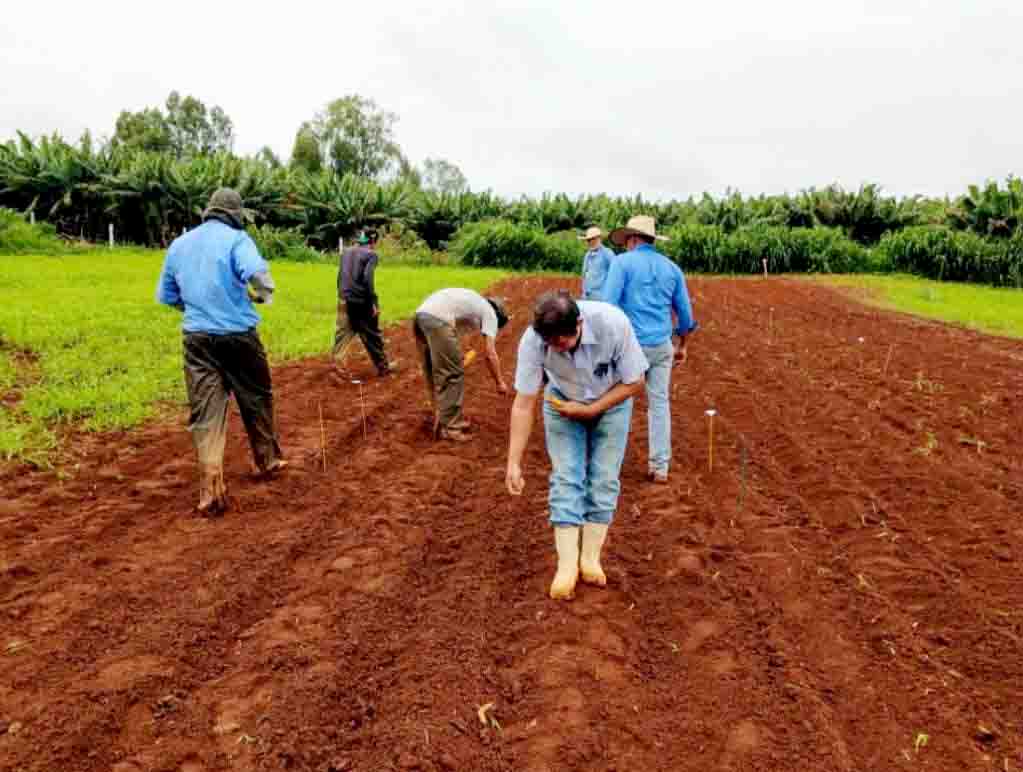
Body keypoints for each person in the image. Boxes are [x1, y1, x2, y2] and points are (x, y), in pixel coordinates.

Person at [506, 291, 648, 600]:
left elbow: (636, 381)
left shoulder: (613, 324)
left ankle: (590, 558)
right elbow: (524, 402)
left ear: (579, 323)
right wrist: (513, 461)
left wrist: (593, 409)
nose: (557, 348)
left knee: (604, 478)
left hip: (612, 401)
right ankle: (567, 566)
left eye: (564, 341)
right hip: (561, 403)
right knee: (567, 477)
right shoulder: (534, 341)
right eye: (551, 344)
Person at [156, 188, 286, 515]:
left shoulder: (179, 244)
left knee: (206, 411)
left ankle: (210, 485)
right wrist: (261, 295)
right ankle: (267, 460)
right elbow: (260, 278)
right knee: (256, 395)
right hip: (238, 335)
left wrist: (199, 307)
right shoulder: (237, 239)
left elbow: (169, 295)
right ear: (234, 214)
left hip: (197, 339)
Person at [603, 215, 697, 484]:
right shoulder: (672, 268)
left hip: (630, 346)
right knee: (659, 404)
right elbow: (686, 317)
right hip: (661, 345)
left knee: (620, 402)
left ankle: (611, 465)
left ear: (632, 239)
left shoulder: (621, 263)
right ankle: (660, 467)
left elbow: (609, 307)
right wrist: (683, 346)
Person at [413, 288, 510, 441]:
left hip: (421, 316)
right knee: (453, 374)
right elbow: (490, 354)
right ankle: (451, 427)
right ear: (498, 316)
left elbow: (451, 335)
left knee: (432, 370)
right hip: (438, 319)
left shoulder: (474, 302)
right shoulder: (490, 314)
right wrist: (500, 382)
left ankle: (441, 417)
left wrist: (455, 356)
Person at [333, 230, 395, 376]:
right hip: (360, 299)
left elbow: (340, 275)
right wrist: (373, 302)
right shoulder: (371, 255)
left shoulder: (346, 252)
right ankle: (383, 366)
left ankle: (338, 366)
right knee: (371, 332)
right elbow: (368, 278)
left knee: (342, 333)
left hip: (344, 297)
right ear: (373, 242)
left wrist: (342, 294)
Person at [579, 226, 615, 300]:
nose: (590, 242)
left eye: (592, 239)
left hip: (602, 297)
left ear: (599, 239)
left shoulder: (607, 254)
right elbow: (584, 275)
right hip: (587, 297)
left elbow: (615, 274)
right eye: (588, 240)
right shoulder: (587, 255)